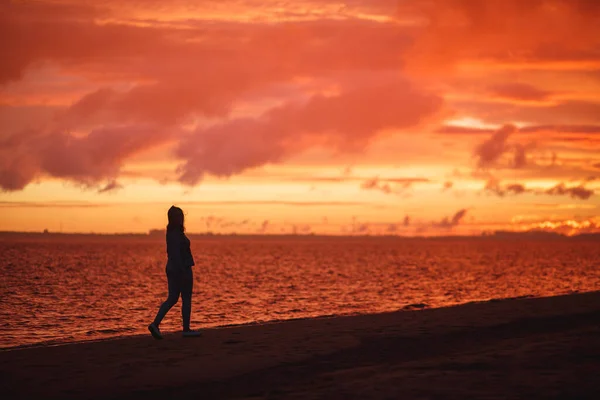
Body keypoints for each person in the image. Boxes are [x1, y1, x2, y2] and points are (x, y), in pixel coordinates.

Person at [148, 206, 201, 339]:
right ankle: (186, 329)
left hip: (174, 267)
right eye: (178, 216)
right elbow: (175, 253)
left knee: (173, 298)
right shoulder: (175, 234)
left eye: (181, 216)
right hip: (180, 268)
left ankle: (155, 324)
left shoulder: (174, 233)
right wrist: (182, 270)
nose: (180, 219)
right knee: (185, 298)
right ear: (172, 218)